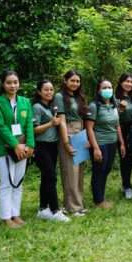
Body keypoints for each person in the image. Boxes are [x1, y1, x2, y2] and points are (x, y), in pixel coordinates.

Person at [0, 71, 34, 228]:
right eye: (9, 82)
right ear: (3, 84)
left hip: (23, 147)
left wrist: (30, 145)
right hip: (4, 148)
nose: (12, 85)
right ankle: (6, 217)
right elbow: (0, 126)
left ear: (19, 84)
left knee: (18, 182)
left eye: (15, 82)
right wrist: (14, 145)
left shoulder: (25, 102)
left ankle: (16, 214)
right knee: (6, 182)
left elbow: (29, 124)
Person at [32, 80, 69, 222]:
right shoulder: (37, 107)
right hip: (41, 146)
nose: (49, 92)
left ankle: (43, 209)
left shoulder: (51, 106)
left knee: (46, 177)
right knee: (52, 176)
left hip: (53, 145)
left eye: (51, 89)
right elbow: (34, 129)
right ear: (39, 91)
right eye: (46, 89)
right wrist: (51, 123)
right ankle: (55, 210)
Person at [85, 80, 125, 209]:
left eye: (109, 87)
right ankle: (98, 200)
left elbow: (117, 125)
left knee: (106, 170)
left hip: (112, 142)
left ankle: (101, 197)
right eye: (104, 87)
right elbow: (89, 128)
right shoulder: (94, 106)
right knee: (99, 170)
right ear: (99, 91)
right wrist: (95, 148)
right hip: (100, 142)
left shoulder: (114, 105)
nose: (107, 89)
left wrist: (122, 143)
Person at [54, 70, 89, 217]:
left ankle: (78, 204)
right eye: (72, 80)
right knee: (70, 172)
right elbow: (61, 121)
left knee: (79, 170)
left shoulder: (79, 96)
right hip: (68, 131)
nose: (75, 84)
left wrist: (86, 137)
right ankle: (71, 207)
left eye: (78, 81)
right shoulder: (59, 96)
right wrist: (66, 142)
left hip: (80, 132)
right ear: (65, 80)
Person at [115, 73, 132, 199]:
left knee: (131, 159)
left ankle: (128, 185)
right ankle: (126, 187)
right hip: (122, 130)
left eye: (131, 82)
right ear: (120, 82)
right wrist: (120, 110)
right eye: (126, 81)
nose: (129, 84)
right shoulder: (115, 98)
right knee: (125, 158)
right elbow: (113, 119)